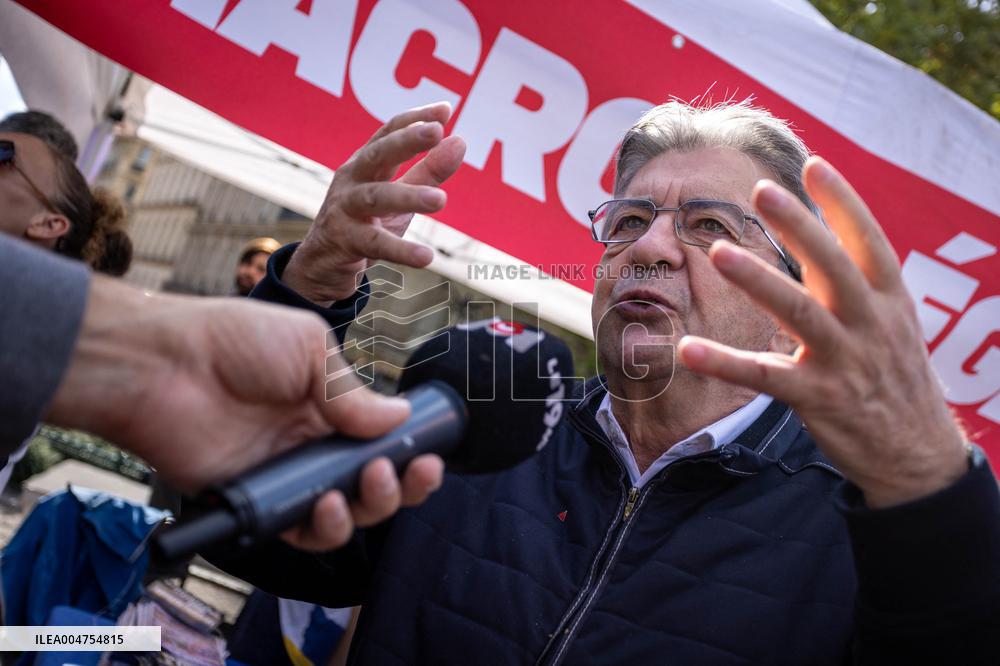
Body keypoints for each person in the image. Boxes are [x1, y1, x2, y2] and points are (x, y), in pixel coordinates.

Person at [206, 100, 1000, 664]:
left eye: (709, 226)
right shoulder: (478, 419)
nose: (648, 247)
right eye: (627, 220)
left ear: (792, 305)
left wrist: (927, 476)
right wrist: (309, 287)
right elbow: (244, 526)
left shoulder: (869, 521)